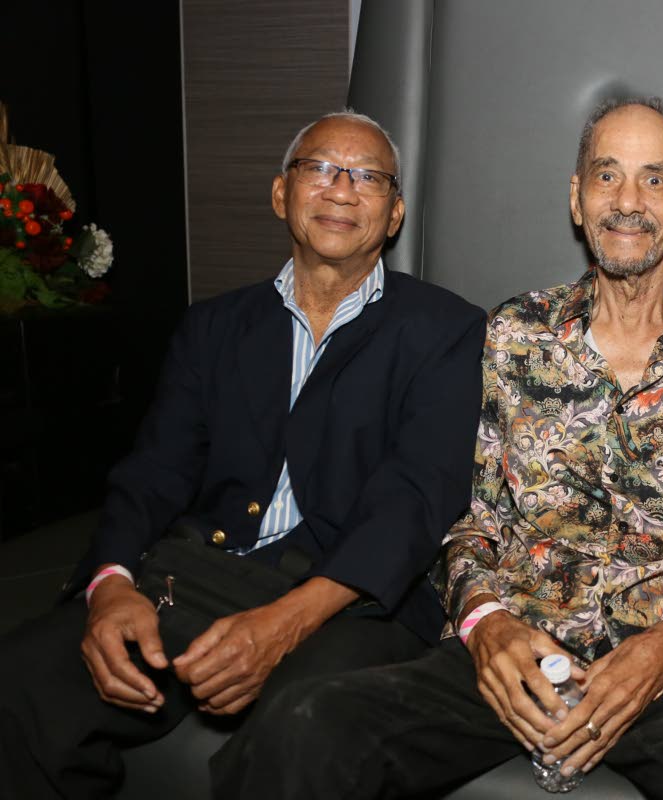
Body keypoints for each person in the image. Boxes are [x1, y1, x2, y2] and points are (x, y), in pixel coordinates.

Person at [213, 97, 663, 799]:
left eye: (654, 179)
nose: (628, 201)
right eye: (607, 176)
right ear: (577, 200)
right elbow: (467, 524)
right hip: (514, 660)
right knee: (306, 724)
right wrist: (488, 628)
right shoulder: (514, 334)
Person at [0, 110, 486, 797]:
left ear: (395, 211)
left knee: (305, 731)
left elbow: (414, 499)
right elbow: (153, 472)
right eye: (318, 168)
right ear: (281, 194)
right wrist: (109, 585)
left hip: (350, 598)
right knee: (20, 685)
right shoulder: (214, 327)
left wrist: (284, 625)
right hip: (201, 569)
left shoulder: (446, 331)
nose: (341, 190)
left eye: (368, 177)